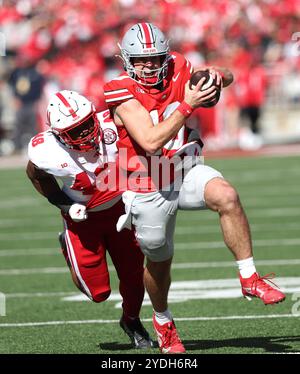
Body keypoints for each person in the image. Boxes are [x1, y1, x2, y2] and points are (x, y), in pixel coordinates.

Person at [102, 22, 286, 354]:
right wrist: (189, 104)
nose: (149, 65)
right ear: (127, 60)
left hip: (182, 168)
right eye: (141, 60)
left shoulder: (178, 65)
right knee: (159, 260)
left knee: (227, 195)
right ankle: (162, 321)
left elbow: (224, 76)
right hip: (145, 183)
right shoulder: (118, 89)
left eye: (155, 58)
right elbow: (150, 140)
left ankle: (250, 277)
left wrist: (217, 77)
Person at [26, 90, 153, 349]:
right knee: (98, 293)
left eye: (86, 125)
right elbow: (36, 175)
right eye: (75, 131)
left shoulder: (113, 124)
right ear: (59, 135)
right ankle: (67, 245)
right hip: (83, 220)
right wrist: (66, 204)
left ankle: (132, 321)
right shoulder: (48, 150)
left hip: (122, 210)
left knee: (133, 277)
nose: (85, 134)